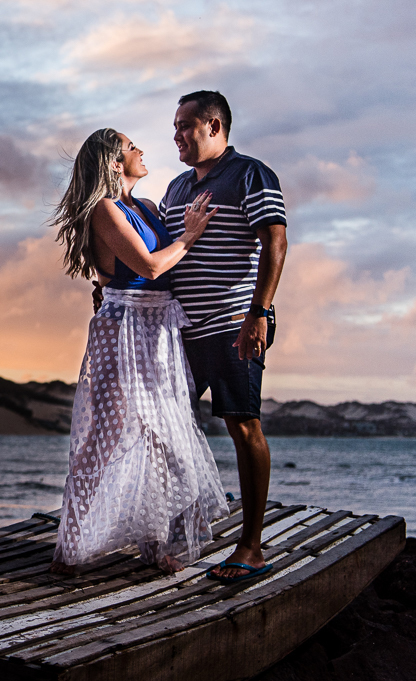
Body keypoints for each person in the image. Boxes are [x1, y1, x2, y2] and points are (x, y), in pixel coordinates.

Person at [49, 128, 229, 575]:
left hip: (159, 328)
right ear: (114, 163)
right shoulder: (104, 209)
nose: (141, 150)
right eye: (131, 147)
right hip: (123, 327)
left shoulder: (146, 207)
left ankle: (156, 544)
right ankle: (71, 546)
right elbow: (149, 267)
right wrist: (189, 236)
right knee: (106, 436)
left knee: (161, 437)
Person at [161, 90, 287, 583]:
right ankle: (174, 533)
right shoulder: (176, 187)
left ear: (213, 126)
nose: (176, 135)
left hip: (235, 325)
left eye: (184, 125)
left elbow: (275, 241)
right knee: (165, 427)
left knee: (243, 425)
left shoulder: (250, 174)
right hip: (183, 332)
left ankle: (250, 547)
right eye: (174, 126)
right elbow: (164, 253)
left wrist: (259, 312)